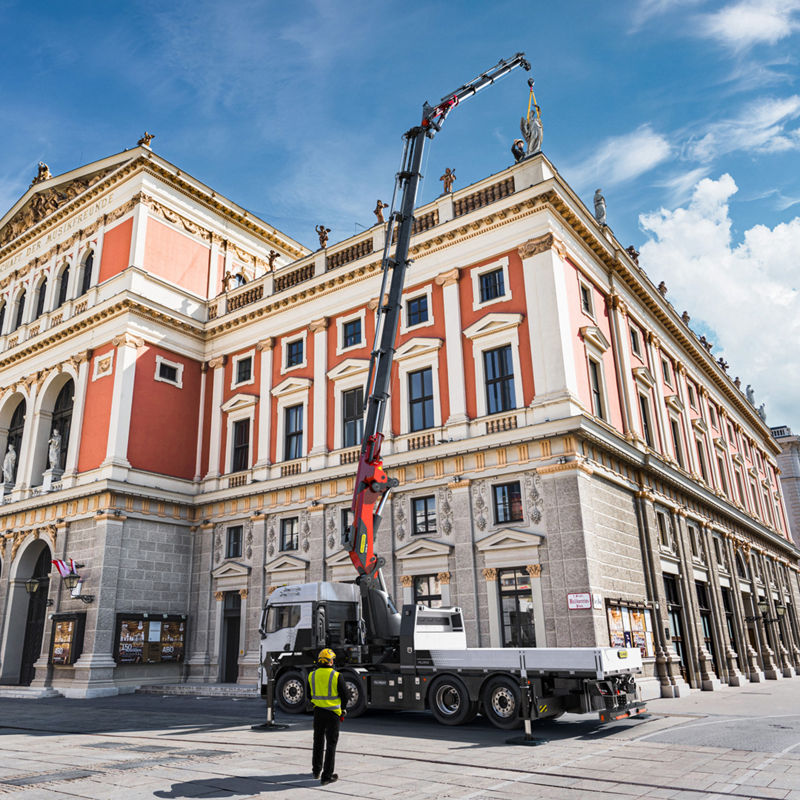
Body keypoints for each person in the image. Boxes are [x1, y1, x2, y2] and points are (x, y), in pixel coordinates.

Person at [308, 648, 348, 785]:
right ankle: (327, 776)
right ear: (331, 661)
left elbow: (309, 695)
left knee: (318, 741)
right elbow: (345, 696)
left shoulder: (311, 675)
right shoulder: (337, 676)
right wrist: (342, 709)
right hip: (333, 714)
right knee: (331, 744)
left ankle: (316, 771)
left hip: (318, 712)